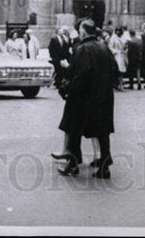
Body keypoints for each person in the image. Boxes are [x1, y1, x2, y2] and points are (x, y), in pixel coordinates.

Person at [53, 19, 115, 178]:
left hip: (84, 98)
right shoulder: (104, 48)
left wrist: (67, 87)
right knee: (102, 132)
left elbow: (81, 75)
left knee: (74, 129)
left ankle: (73, 165)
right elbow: (115, 70)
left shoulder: (83, 49)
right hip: (104, 97)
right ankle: (104, 166)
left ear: (83, 32)